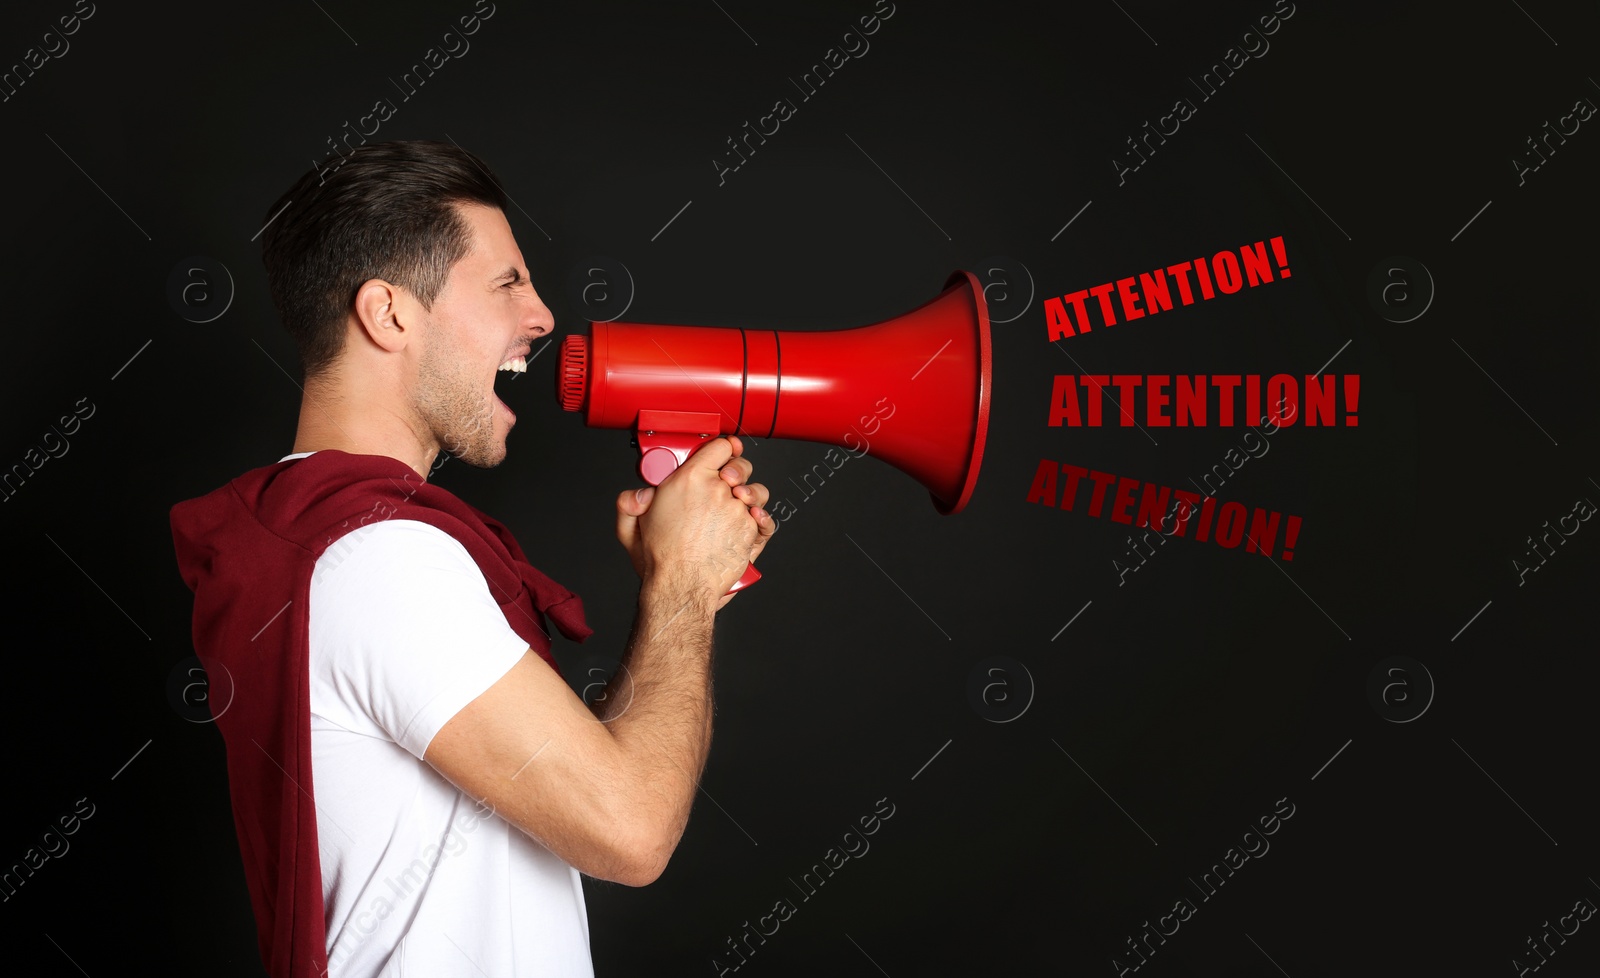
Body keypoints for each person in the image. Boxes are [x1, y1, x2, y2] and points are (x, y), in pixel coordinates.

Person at [169, 139, 776, 978]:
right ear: (388, 315)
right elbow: (629, 827)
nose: (542, 316)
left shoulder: (329, 542)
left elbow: (574, 785)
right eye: (506, 284)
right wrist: (683, 587)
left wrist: (682, 589)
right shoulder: (377, 562)